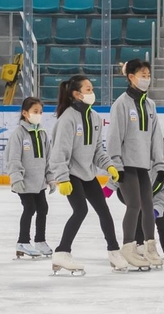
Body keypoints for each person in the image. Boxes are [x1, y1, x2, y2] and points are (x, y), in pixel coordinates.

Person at [49, 75, 127, 274]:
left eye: (92, 89)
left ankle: (113, 251)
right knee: (80, 210)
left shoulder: (95, 117)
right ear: (76, 94)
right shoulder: (67, 119)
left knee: (104, 210)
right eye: (88, 89)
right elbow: (59, 153)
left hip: (88, 173)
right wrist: (62, 178)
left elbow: (97, 151)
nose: (92, 93)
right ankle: (61, 252)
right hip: (71, 174)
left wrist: (109, 166)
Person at [107, 59, 164, 270]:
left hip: (143, 165)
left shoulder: (150, 105)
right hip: (126, 165)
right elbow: (114, 136)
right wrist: (116, 165)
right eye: (142, 75)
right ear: (131, 77)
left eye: (148, 75)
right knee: (134, 205)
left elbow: (155, 137)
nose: (146, 79)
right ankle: (128, 248)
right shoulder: (121, 104)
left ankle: (150, 246)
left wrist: (160, 165)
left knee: (148, 205)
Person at [105, 137, 164, 260]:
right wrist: (110, 187)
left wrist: (157, 210)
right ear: (162, 159)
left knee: (158, 211)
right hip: (126, 191)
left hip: (148, 196)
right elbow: (125, 171)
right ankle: (139, 243)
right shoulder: (147, 165)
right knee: (141, 208)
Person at [5, 97, 54, 260]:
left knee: (43, 209)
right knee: (30, 208)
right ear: (25, 113)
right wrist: (16, 178)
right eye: (35, 112)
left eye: (40, 112)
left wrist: (50, 177)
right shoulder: (18, 134)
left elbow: (48, 158)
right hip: (24, 182)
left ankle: (40, 240)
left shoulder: (43, 133)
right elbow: (13, 158)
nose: (38, 115)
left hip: (39, 182)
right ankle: (23, 242)